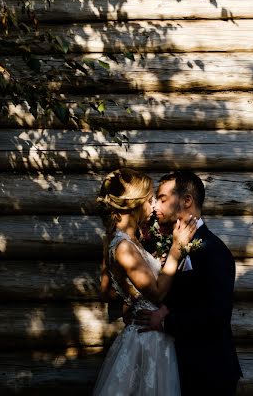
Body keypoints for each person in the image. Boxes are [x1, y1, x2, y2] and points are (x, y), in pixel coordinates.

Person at [135, 170, 243, 396]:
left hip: (208, 371)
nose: (155, 206)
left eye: (163, 199)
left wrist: (165, 322)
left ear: (186, 200)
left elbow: (217, 314)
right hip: (179, 368)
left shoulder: (214, 251)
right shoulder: (173, 245)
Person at [93, 167, 198, 396]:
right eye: (149, 200)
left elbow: (106, 291)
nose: (153, 206)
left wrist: (130, 301)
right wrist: (176, 249)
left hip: (147, 330)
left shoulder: (121, 240)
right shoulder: (123, 246)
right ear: (135, 204)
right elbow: (158, 293)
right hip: (147, 339)